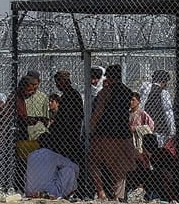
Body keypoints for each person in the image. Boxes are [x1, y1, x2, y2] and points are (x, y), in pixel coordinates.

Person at [89, 64, 135, 201]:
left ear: (108, 76)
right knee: (120, 168)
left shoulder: (106, 92)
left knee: (93, 161)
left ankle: (101, 192)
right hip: (122, 133)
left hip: (105, 133)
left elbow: (98, 112)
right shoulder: (127, 92)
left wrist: (90, 129)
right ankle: (118, 196)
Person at [41, 71, 83, 164]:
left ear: (64, 81)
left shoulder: (69, 96)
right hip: (70, 134)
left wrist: (53, 127)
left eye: (58, 82)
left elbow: (65, 118)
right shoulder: (71, 94)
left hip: (67, 136)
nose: (57, 85)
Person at [143, 70, 176, 147]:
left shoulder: (145, 91)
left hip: (147, 127)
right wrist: (172, 130)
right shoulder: (164, 93)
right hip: (160, 128)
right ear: (163, 82)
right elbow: (168, 112)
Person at [24, 70, 50, 141]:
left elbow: (46, 117)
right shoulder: (22, 96)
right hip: (25, 131)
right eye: (30, 83)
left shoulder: (43, 97)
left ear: (38, 83)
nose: (32, 86)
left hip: (39, 133)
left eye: (34, 84)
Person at [129, 91, 154, 157]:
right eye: (129, 100)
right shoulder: (127, 113)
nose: (131, 102)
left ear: (139, 101)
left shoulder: (142, 113)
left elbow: (151, 126)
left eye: (133, 100)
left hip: (139, 141)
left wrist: (136, 129)